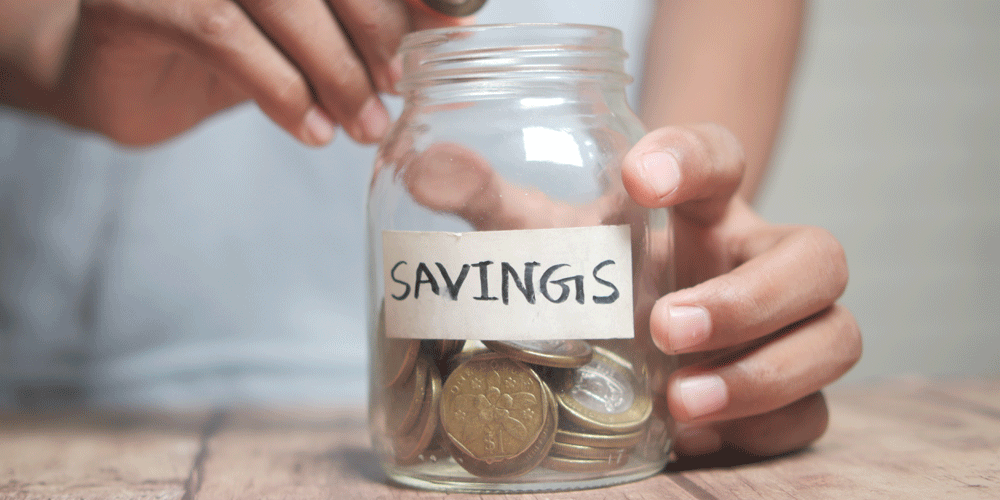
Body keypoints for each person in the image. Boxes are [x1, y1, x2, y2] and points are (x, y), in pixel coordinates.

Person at [0, 0, 860, 463]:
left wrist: (668, 266)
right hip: (76, 418)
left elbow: (671, 194)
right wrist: (52, 39)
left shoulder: (605, 139)